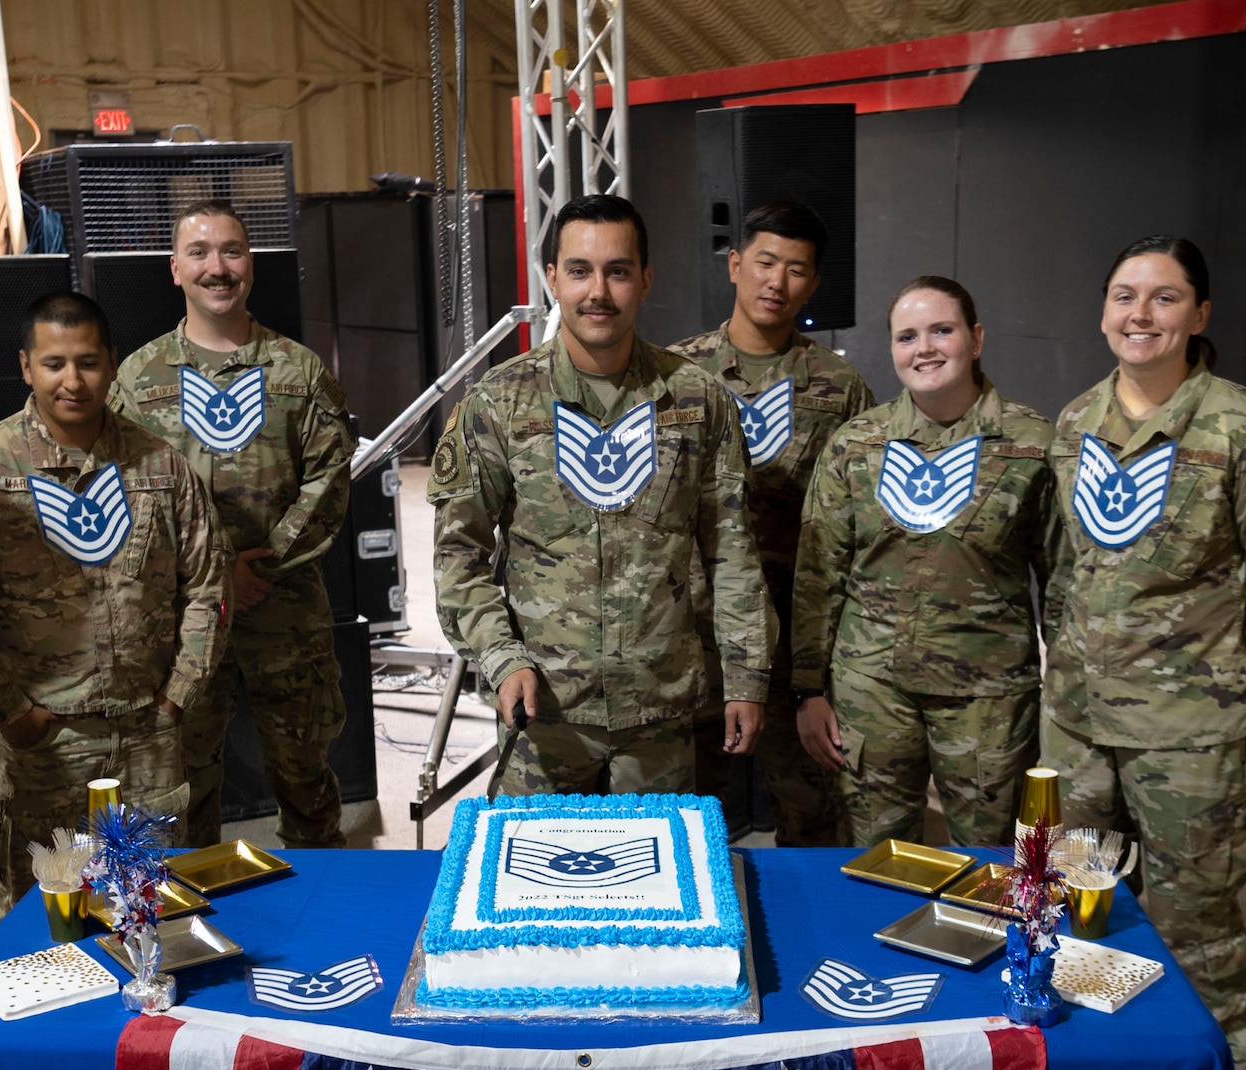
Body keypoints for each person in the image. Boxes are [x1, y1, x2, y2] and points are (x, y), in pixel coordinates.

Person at [1041, 236, 1246, 1055]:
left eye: (1164, 298)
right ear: (1103, 311)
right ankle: (1112, 1060)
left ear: (1199, 315)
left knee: (1190, 918)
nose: (1141, 314)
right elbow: (1065, 566)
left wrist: (1219, 675)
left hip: (1191, 732)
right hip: (1080, 721)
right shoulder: (1077, 421)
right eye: (1125, 295)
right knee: (1080, 901)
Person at [429, 193, 775, 794]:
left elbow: (733, 554)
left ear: (644, 279)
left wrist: (746, 677)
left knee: (655, 881)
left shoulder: (696, 400)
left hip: (658, 714)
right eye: (580, 271)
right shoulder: (499, 403)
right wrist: (501, 657)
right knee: (540, 883)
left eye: (617, 271)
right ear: (552, 280)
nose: (599, 292)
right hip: (542, 709)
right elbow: (458, 557)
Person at [0, 293, 229, 919]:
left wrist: (178, 696)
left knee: (152, 912)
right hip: (42, 746)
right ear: (26, 367)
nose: (73, 380)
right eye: (54, 363)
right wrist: (9, 712)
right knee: (42, 922)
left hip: (148, 738)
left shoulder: (161, 467)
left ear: (112, 364)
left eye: (87, 362)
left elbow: (208, 586)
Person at [116, 200, 354, 850]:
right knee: (181, 792)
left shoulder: (299, 373)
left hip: (287, 614)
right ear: (175, 268)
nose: (217, 268)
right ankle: (190, 938)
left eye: (231, 252)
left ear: (250, 264)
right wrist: (217, 575)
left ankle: (322, 923)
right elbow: (126, 500)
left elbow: (328, 483)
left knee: (307, 785)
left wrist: (264, 563)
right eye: (200, 252)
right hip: (186, 622)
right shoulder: (138, 382)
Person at [792, 277, 1056, 846]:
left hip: (987, 700)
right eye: (906, 336)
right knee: (872, 859)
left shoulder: (1032, 444)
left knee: (990, 871)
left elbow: (1063, 581)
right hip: (872, 693)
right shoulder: (856, 443)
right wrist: (807, 690)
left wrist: (1063, 694)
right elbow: (819, 575)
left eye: (942, 330)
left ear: (976, 338)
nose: (924, 348)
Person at [669, 198, 871, 843]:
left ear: (813, 283)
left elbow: (857, 523)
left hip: (799, 643)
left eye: (796, 269)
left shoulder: (839, 387)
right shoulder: (676, 375)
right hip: (695, 638)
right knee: (691, 825)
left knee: (814, 822)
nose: (776, 282)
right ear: (734, 266)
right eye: (763, 262)